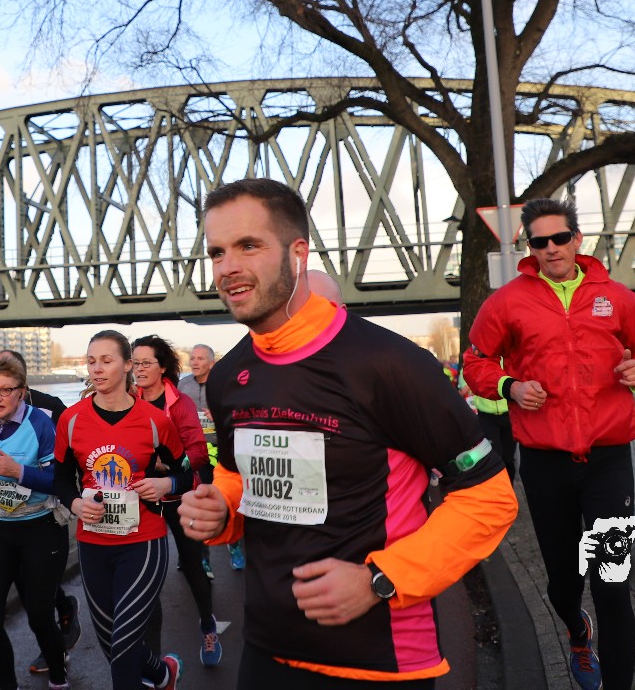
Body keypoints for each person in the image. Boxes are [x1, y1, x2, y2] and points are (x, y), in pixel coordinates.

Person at [178, 178, 518, 689]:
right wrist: (223, 509)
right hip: (267, 649)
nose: (228, 267)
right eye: (217, 252)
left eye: (248, 246)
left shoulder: (388, 363)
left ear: (297, 253)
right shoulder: (229, 375)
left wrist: (381, 579)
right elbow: (236, 473)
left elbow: (489, 497)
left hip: (379, 660)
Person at [463, 197, 635, 690]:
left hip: (607, 461)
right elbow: (475, 362)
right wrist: (510, 386)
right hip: (545, 462)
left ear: (577, 239)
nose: (551, 248)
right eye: (540, 241)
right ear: (529, 248)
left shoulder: (617, 298)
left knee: (612, 583)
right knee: (562, 584)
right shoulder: (506, 302)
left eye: (559, 238)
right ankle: (577, 632)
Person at [56, 329, 192, 690]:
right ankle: (163, 674)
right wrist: (75, 503)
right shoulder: (71, 420)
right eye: (91, 361)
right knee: (112, 644)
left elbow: (187, 473)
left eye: (106, 360)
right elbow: (60, 479)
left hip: (143, 541)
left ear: (128, 365)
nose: (97, 369)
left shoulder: (155, 421)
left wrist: (166, 485)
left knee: (124, 645)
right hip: (93, 544)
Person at [0, 355, 71, 690]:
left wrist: (19, 472)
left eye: (5, 390)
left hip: (41, 527)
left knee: (39, 615)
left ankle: (58, 675)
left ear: (21, 391)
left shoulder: (41, 424)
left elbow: (60, 481)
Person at [0, 347, 84, 678]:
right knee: (24, 580)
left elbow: (72, 450)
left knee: (36, 588)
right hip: (6, 511)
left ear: (22, 377)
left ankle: (54, 647)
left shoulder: (50, 406)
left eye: (8, 368)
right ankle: (63, 607)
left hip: (45, 510)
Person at [132, 334, 222, 667]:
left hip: (179, 495)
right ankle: (153, 659)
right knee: (145, 576)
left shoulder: (179, 403)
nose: (139, 369)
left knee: (193, 565)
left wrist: (169, 465)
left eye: (146, 363)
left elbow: (198, 453)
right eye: (135, 363)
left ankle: (208, 625)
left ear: (163, 367)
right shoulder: (128, 399)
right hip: (142, 498)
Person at [177, 344, 240, 575]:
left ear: (212, 363)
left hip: (221, 449)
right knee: (200, 499)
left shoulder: (225, 383)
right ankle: (202, 558)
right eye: (192, 358)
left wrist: (222, 414)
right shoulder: (183, 385)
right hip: (196, 449)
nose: (194, 362)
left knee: (227, 498)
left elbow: (240, 413)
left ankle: (234, 547)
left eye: (200, 359)